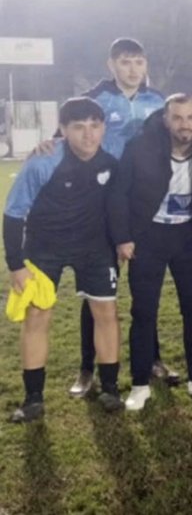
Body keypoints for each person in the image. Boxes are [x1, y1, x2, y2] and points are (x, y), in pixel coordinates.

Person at [4, 98, 124, 421]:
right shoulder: (43, 161)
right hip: (44, 249)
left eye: (95, 126)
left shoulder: (112, 157)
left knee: (107, 314)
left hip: (95, 247)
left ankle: (110, 388)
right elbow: (14, 214)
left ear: (103, 127)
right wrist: (15, 265)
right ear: (62, 130)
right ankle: (33, 399)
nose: (89, 135)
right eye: (79, 127)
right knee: (37, 317)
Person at [71, 38, 171, 397]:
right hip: (100, 205)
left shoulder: (158, 102)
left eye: (139, 62)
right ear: (111, 64)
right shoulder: (94, 100)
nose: (133, 69)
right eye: (126, 62)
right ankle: (87, 369)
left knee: (146, 289)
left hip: (144, 207)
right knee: (97, 292)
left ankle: (153, 359)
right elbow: (66, 136)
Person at [107, 94, 192, 410]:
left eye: (190, 117)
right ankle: (140, 384)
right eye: (178, 117)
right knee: (144, 311)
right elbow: (118, 194)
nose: (185, 124)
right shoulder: (141, 148)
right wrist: (123, 238)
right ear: (166, 120)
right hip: (148, 236)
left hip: (190, 236)